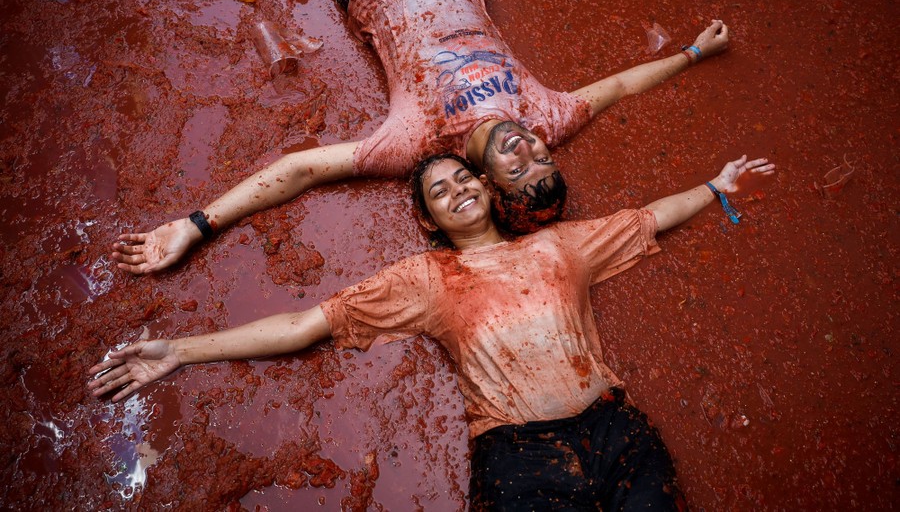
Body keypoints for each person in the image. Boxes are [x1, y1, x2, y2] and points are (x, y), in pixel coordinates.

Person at [90, 152, 775, 509]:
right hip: (518, 455)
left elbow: (649, 217)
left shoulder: (561, 245)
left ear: (487, 188)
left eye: (463, 179)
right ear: (429, 220)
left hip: (616, 429)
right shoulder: (423, 278)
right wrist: (180, 350)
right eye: (439, 192)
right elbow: (303, 325)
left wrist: (715, 187)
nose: (457, 191)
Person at [111, 0, 731, 275]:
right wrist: (693, 54)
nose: (527, 148)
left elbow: (299, 171)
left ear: (487, 184)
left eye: (517, 168)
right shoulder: (545, 116)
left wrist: (195, 225)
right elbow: (620, 87)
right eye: (542, 158)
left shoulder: (419, 142)